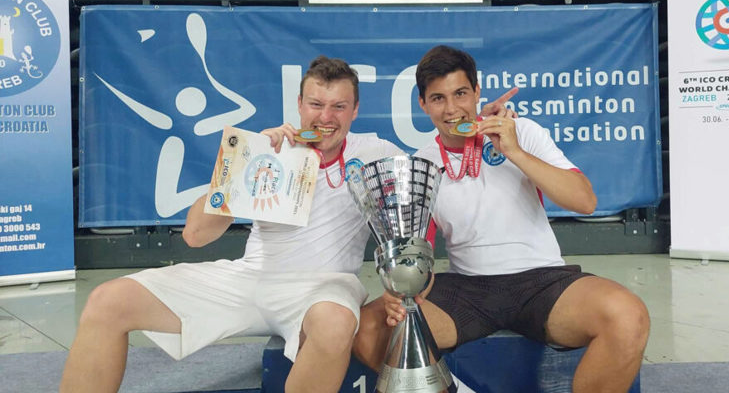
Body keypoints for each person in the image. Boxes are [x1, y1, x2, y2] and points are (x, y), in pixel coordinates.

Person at [60, 56, 404, 393]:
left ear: (355, 110)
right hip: (252, 278)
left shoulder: (378, 153)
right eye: (316, 104)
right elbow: (195, 236)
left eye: (339, 107)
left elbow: (417, 213)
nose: (326, 117)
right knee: (108, 301)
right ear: (299, 104)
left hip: (327, 285)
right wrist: (243, 165)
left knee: (336, 324)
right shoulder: (265, 149)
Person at [353, 45, 650, 393]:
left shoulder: (520, 131)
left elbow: (584, 200)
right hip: (468, 288)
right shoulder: (424, 163)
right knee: (367, 329)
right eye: (438, 98)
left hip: (542, 281)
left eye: (461, 93)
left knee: (628, 315)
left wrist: (514, 151)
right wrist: (404, 295)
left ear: (477, 92)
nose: (451, 108)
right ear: (423, 104)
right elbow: (423, 255)